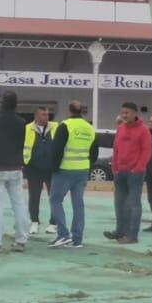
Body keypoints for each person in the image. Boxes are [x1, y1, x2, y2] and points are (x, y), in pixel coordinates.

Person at [0, 91, 31, 253]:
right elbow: (21, 141)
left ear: (2, 102)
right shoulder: (21, 122)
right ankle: (21, 240)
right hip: (15, 167)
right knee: (19, 204)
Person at [48, 100, 97, 249]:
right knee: (78, 204)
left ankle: (63, 235)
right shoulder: (90, 128)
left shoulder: (65, 125)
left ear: (69, 111)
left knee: (55, 200)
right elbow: (94, 152)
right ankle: (77, 239)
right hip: (82, 170)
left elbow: (57, 149)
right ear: (82, 111)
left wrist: (54, 168)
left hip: (65, 169)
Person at [106, 101, 150, 244]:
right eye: (123, 112)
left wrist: (137, 168)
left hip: (135, 173)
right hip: (120, 171)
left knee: (133, 203)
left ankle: (132, 235)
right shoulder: (121, 128)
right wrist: (115, 167)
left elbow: (146, 151)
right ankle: (120, 231)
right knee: (119, 202)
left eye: (127, 112)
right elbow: (116, 149)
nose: (124, 115)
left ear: (135, 114)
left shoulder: (143, 130)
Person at [23, 106, 56, 233]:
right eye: (43, 114)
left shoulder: (55, 127)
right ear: (36, 116)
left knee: (54, 197)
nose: (46, 117)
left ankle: (53, 223)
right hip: (33, 168)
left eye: (47, 114)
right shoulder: (27, 128)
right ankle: (34, 222)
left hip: (51, 168)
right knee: (34, 196)